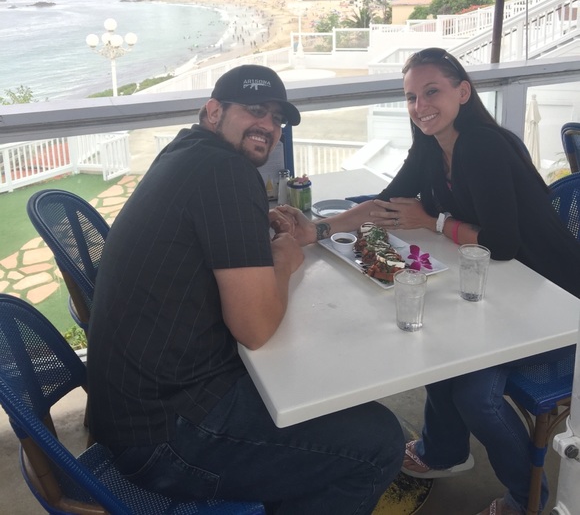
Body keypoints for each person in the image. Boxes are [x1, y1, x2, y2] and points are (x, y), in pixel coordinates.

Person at [87, 64, 404, 515]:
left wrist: (258, 227)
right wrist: (285, 261)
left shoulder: (185, 151)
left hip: (127, 408)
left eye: (277, 118)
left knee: (306, 386)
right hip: (165, 436)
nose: (269, 126)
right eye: (255, 110)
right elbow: (255, 329)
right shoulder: (227, 172)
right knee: (379, 443)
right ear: (214, 111)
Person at [276, 48, 580, 515]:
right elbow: (385, 204)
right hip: (499, 284)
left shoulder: (483, 145)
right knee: (438, 339)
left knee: (475, 393)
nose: (420, 106)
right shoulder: (432, 146)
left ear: (463, 91)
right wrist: (315, 231)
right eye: (411, 97)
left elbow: (502, 243)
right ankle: (444, 451)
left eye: (431, 91)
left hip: (555, 299)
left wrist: (433, 221)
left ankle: (527, 501)